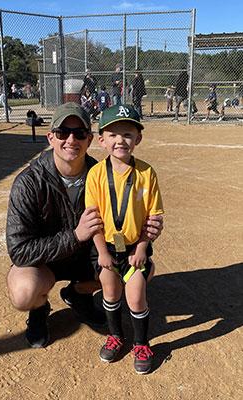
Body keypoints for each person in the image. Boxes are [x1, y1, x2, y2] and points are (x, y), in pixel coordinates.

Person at [6, 102, 164, 349]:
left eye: (79, 133)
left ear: (90, 139)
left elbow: (137, 209)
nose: (71, 139)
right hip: (46, 262)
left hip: (88, 259)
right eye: (62, 133)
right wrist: (75, 235)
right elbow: (19, 251)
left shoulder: (102, 173)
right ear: (50, 137)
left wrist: (149, 228)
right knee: (23, 291)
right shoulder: (28, 182)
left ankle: (78, 294)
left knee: (143, 270)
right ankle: (39, 309)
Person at [85, 104, 164, 374]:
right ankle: (116, 335)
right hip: (105, 248)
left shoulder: (146, 173)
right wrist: (103, 253)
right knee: (110, 291)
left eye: (128, 134)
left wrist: (142, 248)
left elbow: (153, 219)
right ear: (101, 140)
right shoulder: (95, 174)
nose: (121, 141)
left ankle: (141, 343)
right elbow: (93, 220)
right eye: (113, 134)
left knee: (136, 299)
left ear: (138, 139)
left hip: (135, 250)